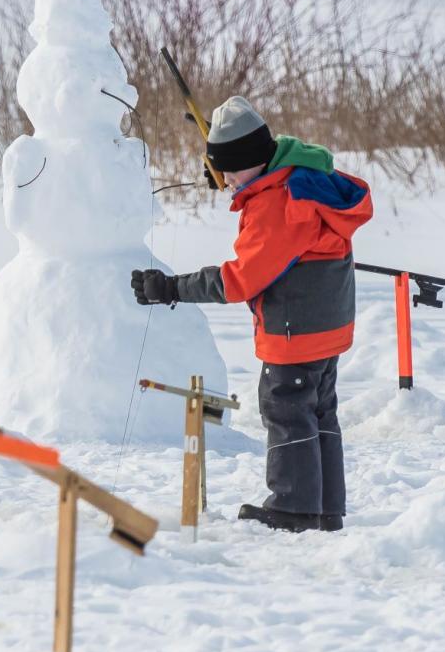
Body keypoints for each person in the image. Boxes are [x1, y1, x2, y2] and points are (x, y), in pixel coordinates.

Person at [130, 97, 372, 533]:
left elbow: (241, 279)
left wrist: (171, 288)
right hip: (327, 323)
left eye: (231, 174)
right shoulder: (301, 174)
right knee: (318, 410)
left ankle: (294, 507)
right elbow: (256, 191)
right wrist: (238, 179)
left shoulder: (278, 203)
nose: (226, 185)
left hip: (296, 327)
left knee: (286, 408)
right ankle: (325, 507)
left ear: (251, 161)